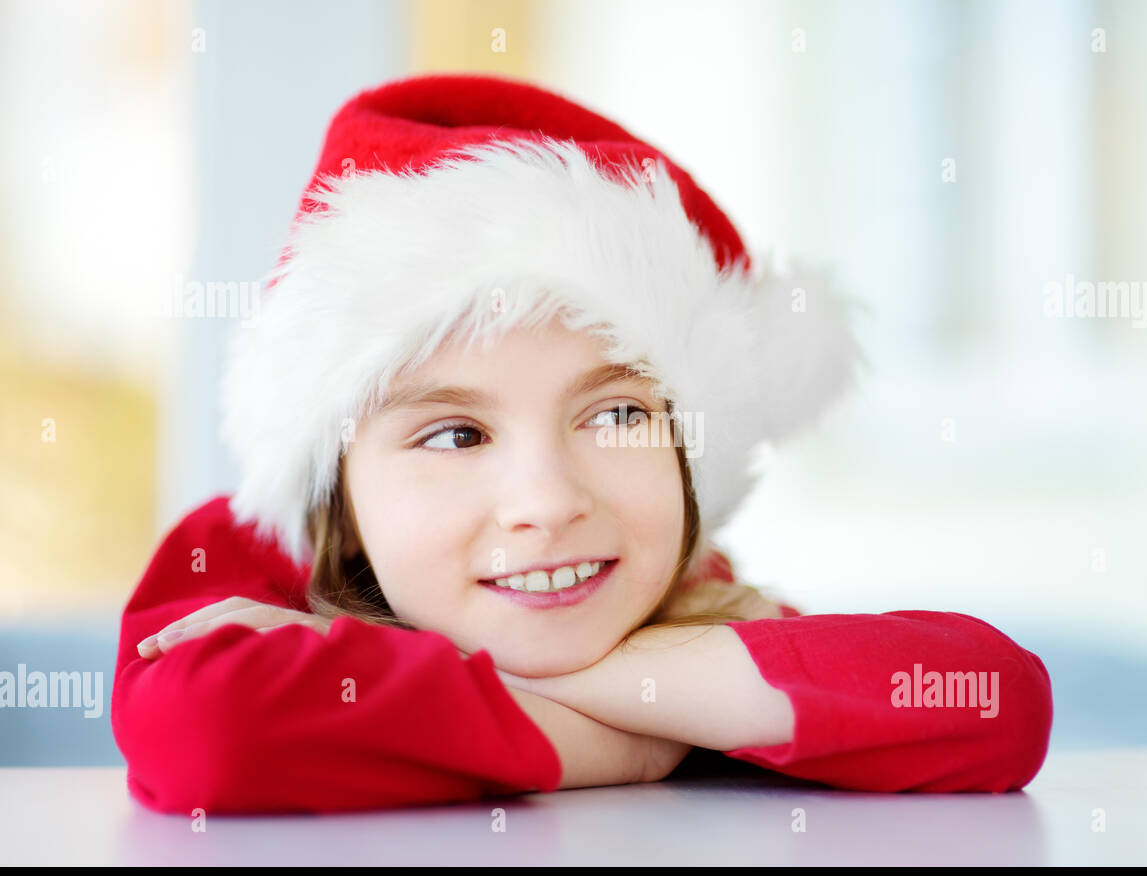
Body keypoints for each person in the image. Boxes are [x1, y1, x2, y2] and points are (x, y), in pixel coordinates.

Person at [113, 73, 1053, 814]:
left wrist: (605, 693)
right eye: (455, 433)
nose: (548, 500)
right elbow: (214, 734)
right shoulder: (249, 561)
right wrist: (630, 737)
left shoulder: (687, 592)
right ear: (342, 498)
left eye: (616, 415)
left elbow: (986, 697)